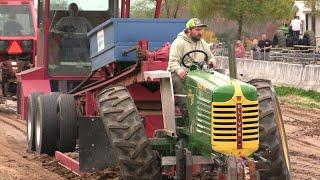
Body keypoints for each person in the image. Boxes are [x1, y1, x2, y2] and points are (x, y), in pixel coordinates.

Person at [168, 18, 216, 124]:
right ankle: (188, 120)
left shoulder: (203, 43)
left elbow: (210, 57)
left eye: (201, 30)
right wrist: (179, 70)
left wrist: (212, 61)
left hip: (198, 73)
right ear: (189, 30)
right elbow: (173, 62)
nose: (200, 32)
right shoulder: (179, 42)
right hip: (181, 74)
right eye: (197, 30)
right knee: (178, 82)